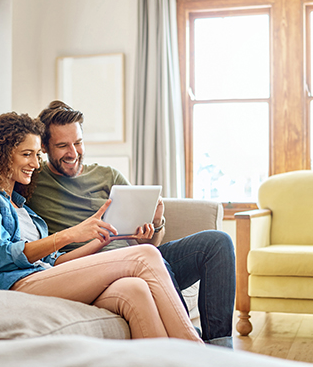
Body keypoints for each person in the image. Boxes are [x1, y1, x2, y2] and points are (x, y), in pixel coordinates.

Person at [0, 112, 203, 343]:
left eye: (37, 155)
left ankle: (167, 363)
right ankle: (196, 351)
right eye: (26, 154)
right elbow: (2, 256)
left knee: (134, 289)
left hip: (44, 277)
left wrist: (98, 238)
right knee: (145, 255)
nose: (35, 164)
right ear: (0, 152)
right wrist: (70, 234)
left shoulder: (24, 209)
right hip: (15, 283)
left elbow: (56, 262)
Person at [27, 101, 236, 348]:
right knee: (147, 258)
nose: (73, 152)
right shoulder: (33, 182)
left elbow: (149, 243)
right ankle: (188, 342)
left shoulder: (108, 175)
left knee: (217, 243)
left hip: (142, 258)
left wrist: (155, 224)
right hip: (93, 270)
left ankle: (219, 347)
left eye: (78, 143)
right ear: (45, 147)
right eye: (62, 146)